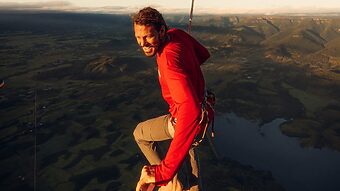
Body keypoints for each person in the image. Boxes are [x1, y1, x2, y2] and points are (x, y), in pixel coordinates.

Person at [132, 7, 212, 191]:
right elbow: (203, 54)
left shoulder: (168, 60)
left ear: (161, 30)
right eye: (138, 37)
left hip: (186, 119)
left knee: (141, 134)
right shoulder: (177, 34)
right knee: (189, 147)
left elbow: (189, 111)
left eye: (148, 36)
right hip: (204, 117)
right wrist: (186, 71)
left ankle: (168, 181)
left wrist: (164, 172)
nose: (142, 43)